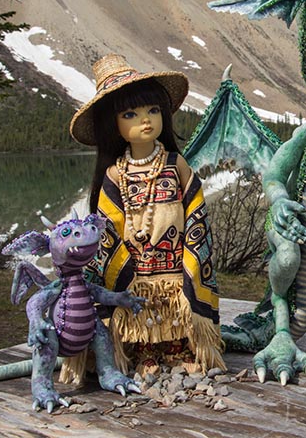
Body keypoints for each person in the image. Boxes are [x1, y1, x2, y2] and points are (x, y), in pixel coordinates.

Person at [63, 54, 225, 381]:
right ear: (114, 125)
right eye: (131, 114)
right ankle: (144, 351)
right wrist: (120, 261)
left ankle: (178, 348)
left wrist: (192, 251)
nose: (146, 120)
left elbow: (195, 206)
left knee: (177, 307)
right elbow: (109, 229)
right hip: (136, 263)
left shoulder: (174, 163)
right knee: (141, 309)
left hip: (174, 259)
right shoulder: (114, 175)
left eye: (153, 110)